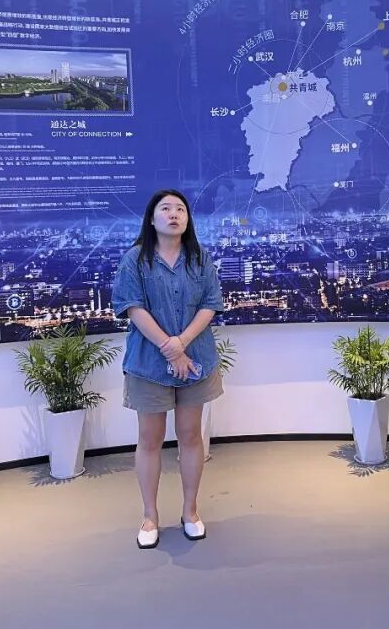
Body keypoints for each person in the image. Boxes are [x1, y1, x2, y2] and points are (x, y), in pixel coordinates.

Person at [113, 189, 224, 549]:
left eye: (180, 209)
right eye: (165, 208)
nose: (174, 214)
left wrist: (182, 344)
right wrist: (170, 349)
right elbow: (133, 308)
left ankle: (190, 512)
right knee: (150, 439)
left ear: (188, 219)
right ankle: (150, 516)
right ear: (151, 218)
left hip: (196, 359)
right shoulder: (135, 260)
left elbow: (210, 304)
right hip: (148, 364)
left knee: (191, 436)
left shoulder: (200, 258)